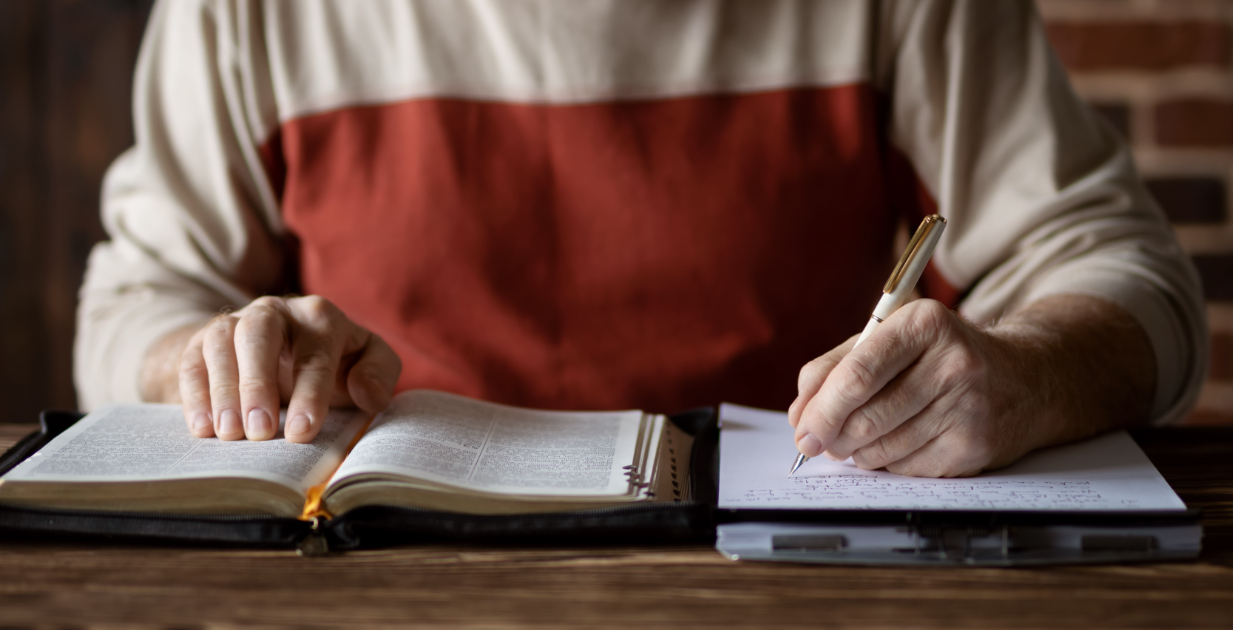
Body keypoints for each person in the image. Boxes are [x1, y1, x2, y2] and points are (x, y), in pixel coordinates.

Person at [76, 0, 1207, 478]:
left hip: (799, 582)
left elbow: (1125, 269)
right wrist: (213, 361)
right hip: (379, 581)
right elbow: (133, 301)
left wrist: (1032, 372)